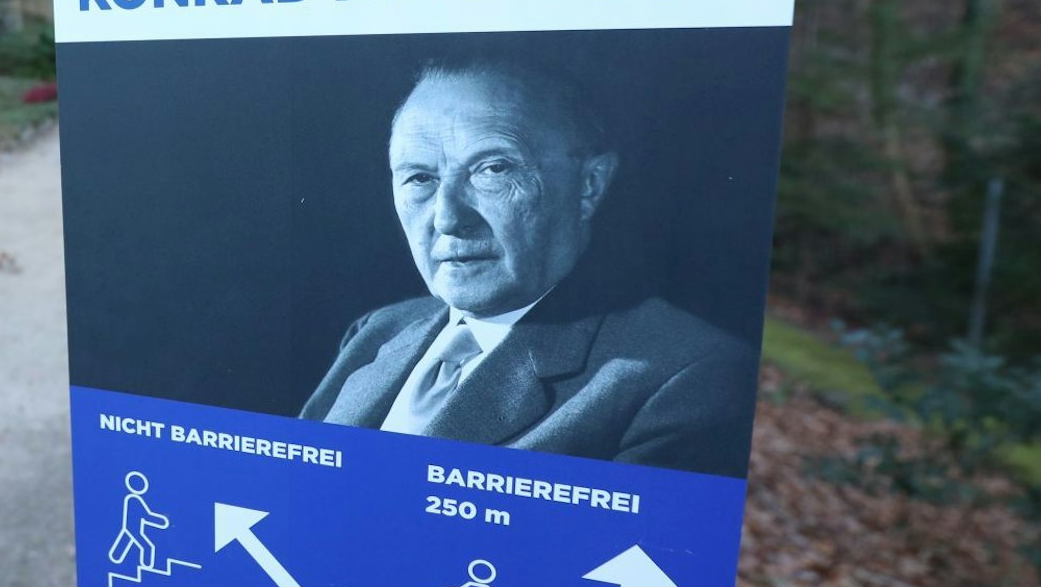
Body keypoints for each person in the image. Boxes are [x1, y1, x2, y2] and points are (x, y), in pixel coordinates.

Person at [299, 57, 755, 478]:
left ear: (589, 185)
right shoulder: (378, 332)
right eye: (420, 177)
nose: (447, 217)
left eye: (493, 169)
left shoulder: (685, 376)